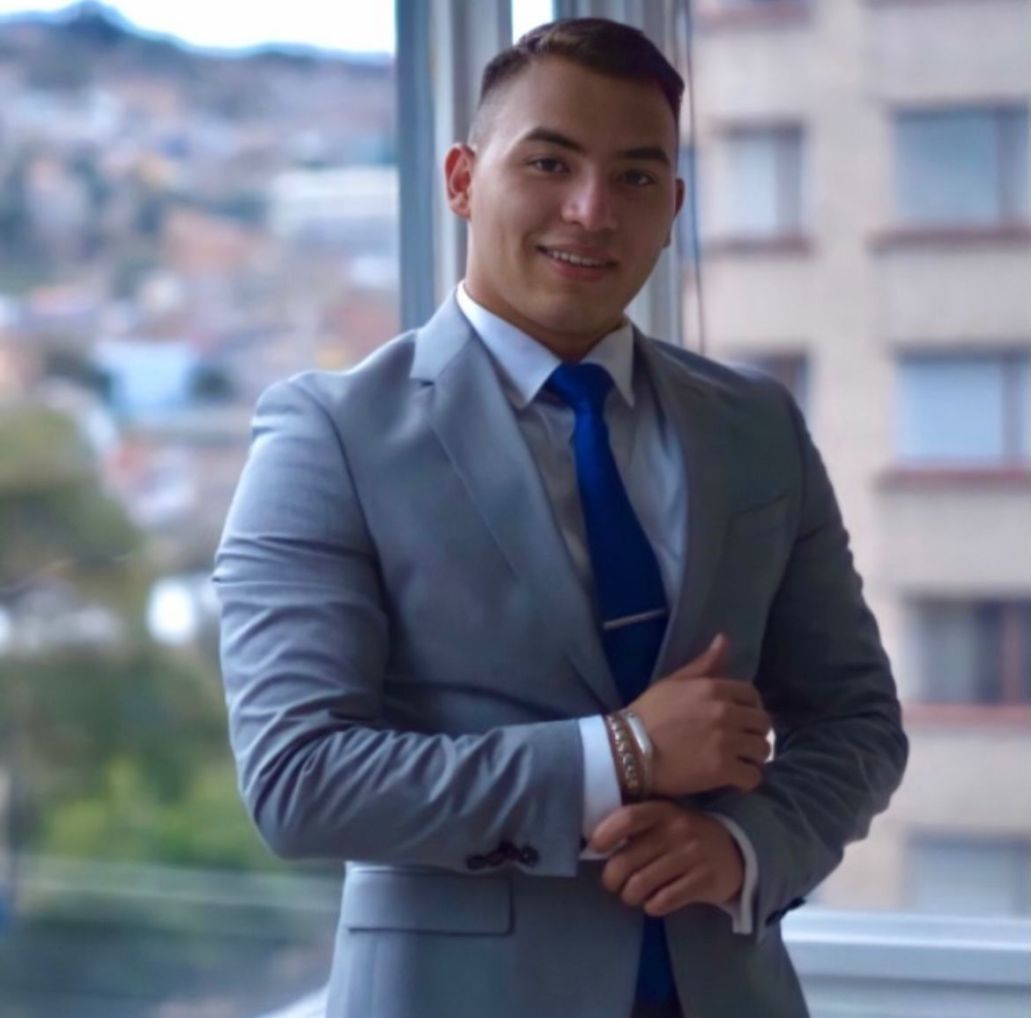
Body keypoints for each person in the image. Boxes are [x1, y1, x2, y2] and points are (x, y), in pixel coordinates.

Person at [214, 17, 907, 1018]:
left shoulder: (754, 425)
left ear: (671, 208)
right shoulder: (328, 435)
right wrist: (620, 754)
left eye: (634, 177)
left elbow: (855, 720)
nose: (590, 211)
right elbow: (299, 779)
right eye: (548, 163)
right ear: (461, 180)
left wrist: (747, 847)